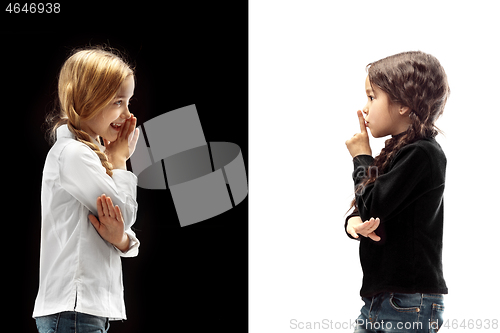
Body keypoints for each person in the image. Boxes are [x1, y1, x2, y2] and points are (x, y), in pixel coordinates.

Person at [33, 47, 141, 332]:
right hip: (74, 311)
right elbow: (125, 213)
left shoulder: (85, 155)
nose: (127, 114)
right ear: (89, 99)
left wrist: (120, 240)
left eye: (128, 102)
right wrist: (119, 161)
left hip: (83, 311)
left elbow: (118, 228)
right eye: (118, 101)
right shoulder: (73, 154)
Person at [344, 51, 450, 333]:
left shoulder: (423, 153)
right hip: (383, 300)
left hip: (408, 302)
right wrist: (353, 223)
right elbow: (368, 207)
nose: (365, 108)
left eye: (372, 97)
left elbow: (375, 203)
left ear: (403, 103)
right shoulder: (400, 152)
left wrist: (362, 158)